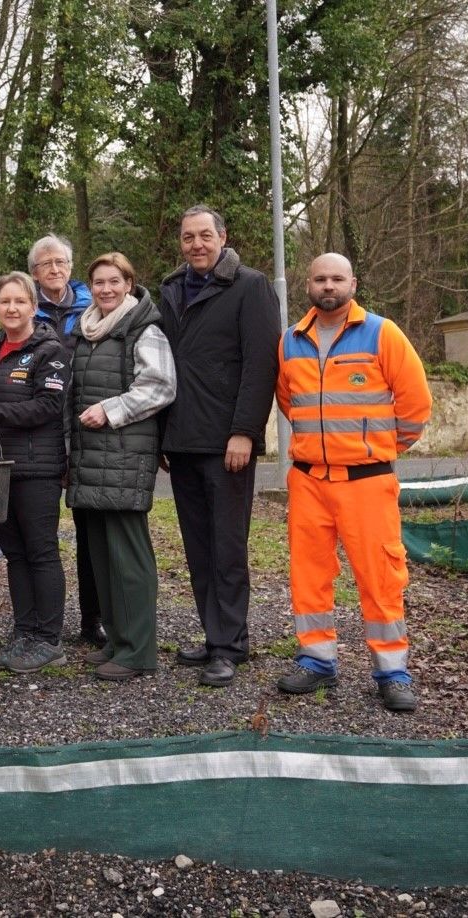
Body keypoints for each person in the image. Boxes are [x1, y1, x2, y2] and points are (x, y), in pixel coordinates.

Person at [275, 253, 431, 712]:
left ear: (352, 283)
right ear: (309, 284)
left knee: (380, 577)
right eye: (321, 278)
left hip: (367, 482)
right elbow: (290, 403)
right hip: (307, 481)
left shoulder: (383, 333)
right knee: (309, 575)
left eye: (337, 278)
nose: (328, 285)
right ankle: (317, 660)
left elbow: (416, 407)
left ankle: (392, 671)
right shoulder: (290, 341)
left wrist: (373, 448)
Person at [159, 205, 280, 688]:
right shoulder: (171, 289)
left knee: (227, 547)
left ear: (223, 237)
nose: (197, 245)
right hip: (183, 440)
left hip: (227, 441)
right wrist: (162, 437)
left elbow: (260, 366)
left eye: (205, 235)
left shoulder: (250, 287)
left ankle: (229, 646)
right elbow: (164, 368)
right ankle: (217, 637)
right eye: (188, 237)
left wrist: (244, 432)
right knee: (198, 546)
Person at [67, 253, 176, 681]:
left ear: (129, 283)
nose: (106, 289)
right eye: (98, 282)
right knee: (102, 556)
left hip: (125, 455)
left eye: (114, 281)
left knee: (128, 557)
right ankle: (116, 640)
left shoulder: (144, 329)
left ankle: (139, 651)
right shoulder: (87, 329)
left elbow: (160, 386)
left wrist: (111, 410)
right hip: (89, 457)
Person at [0, 271, 71, 674]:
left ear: (33, 306)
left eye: (19, 301)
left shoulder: (50, 350)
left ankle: (49, 640)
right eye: (4, 301)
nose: (11, 308)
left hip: (38, 470)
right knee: (15, 554)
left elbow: (49, 406)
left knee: (41, 551)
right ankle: (24, 633)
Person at [28, 233, 104, 646]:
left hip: (85, 427)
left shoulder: (93, 306)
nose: (54, 270)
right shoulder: (24, 308)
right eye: (45, 264)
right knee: (37, 532)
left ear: (70, 267)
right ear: (34, 272)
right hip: (39, 432)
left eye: (60, 262)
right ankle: (38, 620)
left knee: (89, 532)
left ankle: (94, 618)